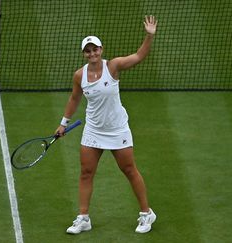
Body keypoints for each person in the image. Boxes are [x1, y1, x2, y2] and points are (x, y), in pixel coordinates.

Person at [55, 15, 158, 234]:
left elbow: (139, 56)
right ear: (84, 53)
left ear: (101, 50)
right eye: (88, 50)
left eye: (95, 49)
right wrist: (64, 123)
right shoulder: (79, 75)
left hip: (117, 129)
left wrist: (149, 35)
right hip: (93, 130)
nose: (92, 53)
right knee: (86, 172)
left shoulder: (113, 66)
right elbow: (74, 99)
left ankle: (146, 213)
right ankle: (83, 218)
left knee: (129, 170)